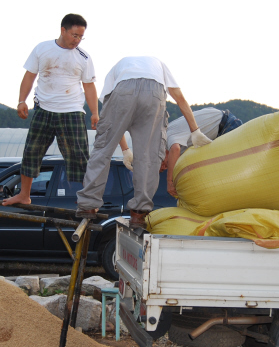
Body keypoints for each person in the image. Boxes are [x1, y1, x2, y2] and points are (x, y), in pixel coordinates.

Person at [75, 56, 211, 228]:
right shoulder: (159, 65)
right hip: (154, 92)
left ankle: (88, 205)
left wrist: (125, 150)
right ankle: (139, 213)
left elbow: (112, 127)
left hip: (123, 89)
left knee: (103, 150)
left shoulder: (118, 67)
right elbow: (180, 99)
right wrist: (195, 130)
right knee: (148, 157)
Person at [3, 13, 99, 206]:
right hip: (44, 109)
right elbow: (29, 76)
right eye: (74, 35)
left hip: (72, 111)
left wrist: (95, 112)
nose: (77, 40)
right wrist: (21, 101)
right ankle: (24, 195)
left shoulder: (84, 57)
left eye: (81, 37)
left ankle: (87, 201)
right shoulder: (42, 48)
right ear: (63, 30)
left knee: (79, 157)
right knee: (31, 152)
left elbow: (89, 86)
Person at [162, 107, 243, 197]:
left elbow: (175, 149)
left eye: (163, 165)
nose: (166, 167)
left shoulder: (166, 138)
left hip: (227, 125)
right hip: (223, 125)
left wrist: (170, 181)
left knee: (229, 176)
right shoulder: (168, 135)